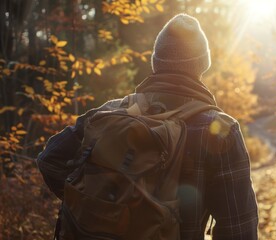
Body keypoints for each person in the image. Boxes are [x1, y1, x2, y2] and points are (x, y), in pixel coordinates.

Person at [37, 13, 259, 240]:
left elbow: (49, 159)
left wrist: (91, 204)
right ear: (202, 66)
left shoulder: (110, 111)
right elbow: (239, 229)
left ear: (155, 62)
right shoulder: (220, 129)